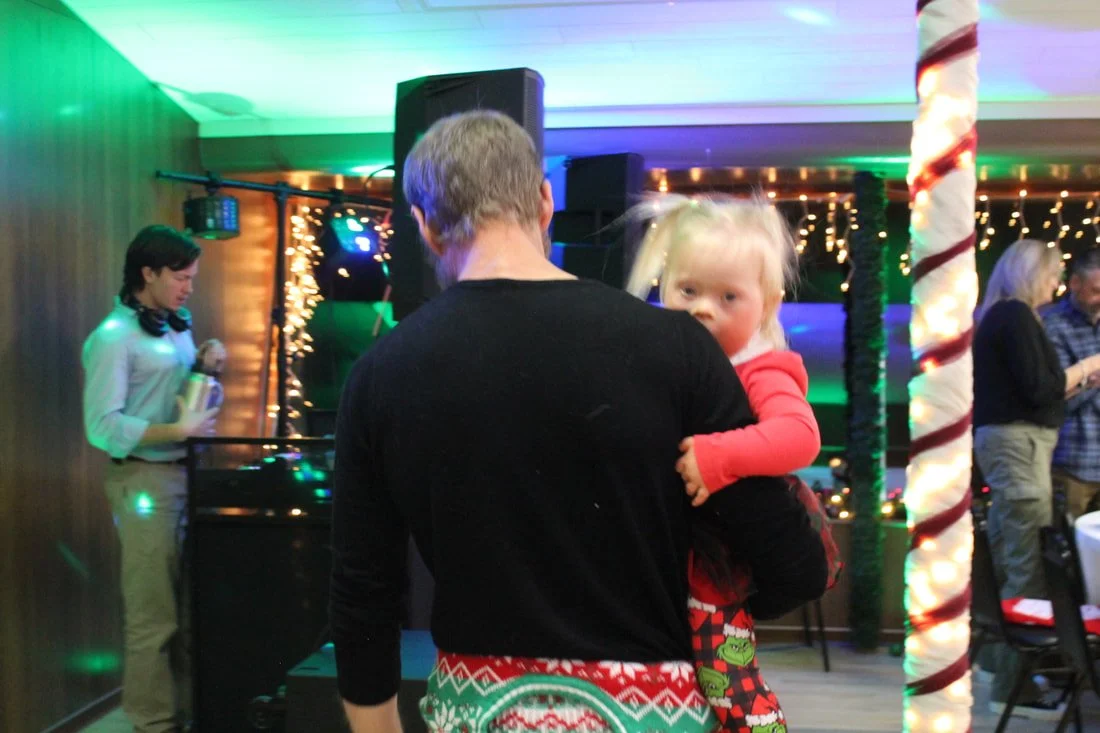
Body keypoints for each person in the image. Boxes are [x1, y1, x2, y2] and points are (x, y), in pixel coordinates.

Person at [330, 110, 829, 733]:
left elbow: (363, 589)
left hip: (476, 714)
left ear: (425, 228)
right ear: (544, 201)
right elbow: (795, 565)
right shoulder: (677, 347)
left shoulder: (381, 373)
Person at [626, 195, 831, 732]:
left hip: (720, 564)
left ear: (766, 306)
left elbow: (800, 437)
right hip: (673, 557)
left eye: (728, 296)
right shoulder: (662, 359)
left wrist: (720, 457)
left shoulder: (761, 369)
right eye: (687, 290)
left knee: (726, 674)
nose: (702, 308)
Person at [82, 225, 222, 733]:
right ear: (149, 273)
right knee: (153, 615)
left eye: (192, 278)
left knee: (187, 610)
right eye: (181, 278)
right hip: (144, 482)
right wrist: (175, 429)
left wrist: (205, 369)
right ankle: (152, 722)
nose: (189, 288)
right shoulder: (113, 338)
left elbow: (180, 404)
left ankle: (186, 713)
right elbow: (102, 426)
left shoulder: (173, 327)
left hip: (184, 476)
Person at [972, 239, 1100, 720]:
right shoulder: (1016, 317)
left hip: (1017, 449)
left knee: (1013, 557)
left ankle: (999, 669)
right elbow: (1042, 389)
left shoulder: (1005, 317)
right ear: (1032, 275)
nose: (1058, 284)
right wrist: (1090, 368)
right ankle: (1014, 685)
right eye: (1054, 275)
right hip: (1020, 450)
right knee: (1025, 565)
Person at [1044, 247, 1100, 519]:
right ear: (1074, 283)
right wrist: (1091, 381)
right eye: (1096, 290)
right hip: (1073, 462)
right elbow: (1054, 397)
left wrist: (1086, 380)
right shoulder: (1051, 324)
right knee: (1068, 553)